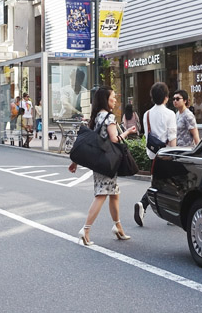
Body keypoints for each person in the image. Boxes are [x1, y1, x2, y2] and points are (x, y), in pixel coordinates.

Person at [68, 86, 136, 245]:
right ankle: (85, 230)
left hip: (99, 161)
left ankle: (118, 227)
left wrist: (75, 162)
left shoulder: (97, 116)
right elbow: (114, 139)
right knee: (101, 194)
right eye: (113, 97)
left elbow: (88, 142)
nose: (115, 100)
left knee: (114, 193)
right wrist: (127, 133)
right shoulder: (109, 117)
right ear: (106, 99)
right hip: (108, 161)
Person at [134, 82, 177, 227]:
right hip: (166, 154)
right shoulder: (170, 114)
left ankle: (144, 205)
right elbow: (172, 138)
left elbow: (147, 136)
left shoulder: (146, 114)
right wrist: (174, 156)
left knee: (161, 183)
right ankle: (170, 214)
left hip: (152, 154)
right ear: (166, 97)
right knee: (169, 183)